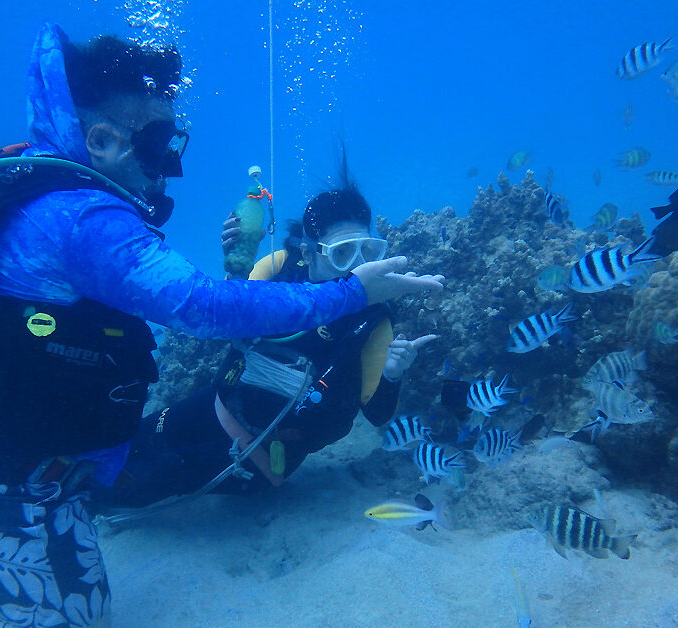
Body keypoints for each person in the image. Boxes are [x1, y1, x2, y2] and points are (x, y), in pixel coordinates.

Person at [0, 23, 443, 628]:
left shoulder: (24, 177)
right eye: (159, 142)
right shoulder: (86, 221)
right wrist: (352, 293)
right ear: (101, 139)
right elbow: (206, 307)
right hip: (3, 477)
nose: (170, 164)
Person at [107, 173, 438, 509]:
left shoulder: (373, 318)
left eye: (367, 250)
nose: (357, 267)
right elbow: (231, 321)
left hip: (261, 455)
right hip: (217, 404)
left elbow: (378, 414)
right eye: (342, 254)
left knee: (134, 485)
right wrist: (235, 268)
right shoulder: (281, 266)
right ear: (307, 254)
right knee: (127, 442)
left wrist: (394, 373)